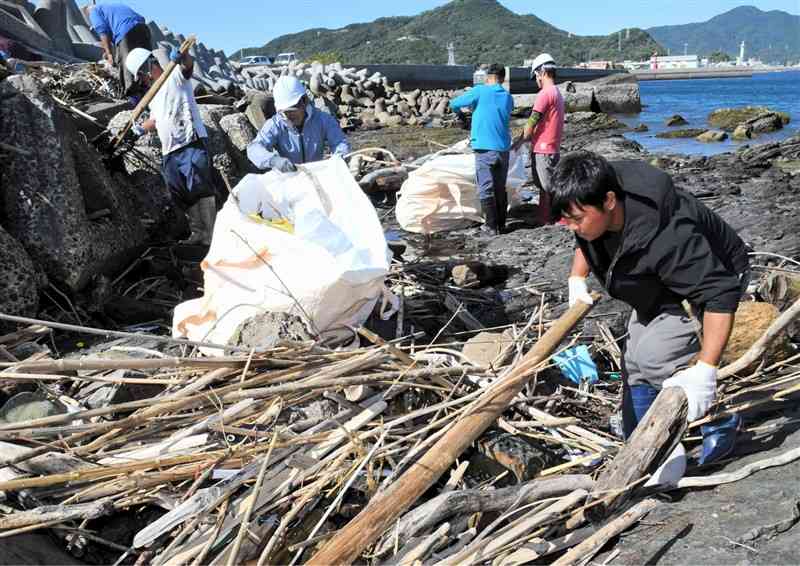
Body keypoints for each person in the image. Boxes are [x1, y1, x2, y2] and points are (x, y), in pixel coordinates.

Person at [553, 151, 749, 478]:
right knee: (632, 361)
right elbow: (583, 238)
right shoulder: (590, 197)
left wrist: (706, 370)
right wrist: (577, 276)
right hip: (656, 287)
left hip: (705, 284)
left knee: (656, 356)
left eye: (577, 218)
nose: (572, 227)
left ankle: (719, 419)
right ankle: (645, 438)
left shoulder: (669, 235)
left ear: (610, 201)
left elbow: (719, 293)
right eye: (566, 219)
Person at [125, 46, 217, 246]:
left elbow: (188, 65)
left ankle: (211, 234)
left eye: (142, 74)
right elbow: (155, 119)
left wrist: (182, 56)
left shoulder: (175, 75)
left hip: (190, 141)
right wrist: (139, 129)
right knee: (181, 191)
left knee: (199, 187)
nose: (142, 79)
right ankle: (198, 233)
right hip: (170, 150)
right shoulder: (152, 94)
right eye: (140, 76)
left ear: (150, 65)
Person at [449, 63, 514, 235]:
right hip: (503, 149)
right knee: (500, 187)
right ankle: (501, 225)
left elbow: (454, 103)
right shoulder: (508, 97)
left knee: (485, 187)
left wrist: (461, 114)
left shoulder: (479, 91)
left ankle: (490, 227)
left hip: (484, 149)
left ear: (488, 77)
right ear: (503, 78)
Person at [247, 76, 350, 173]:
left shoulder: (323, 119)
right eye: (285, 112)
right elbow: (254, 148)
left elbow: (340, 143)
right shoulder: (276, 124)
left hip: (316, 173)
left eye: (292, 110)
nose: (289, 116)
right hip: (288, 176)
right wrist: (273, 160)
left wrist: (339, 157)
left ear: (304, 101)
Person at [512, 53, 565, 225]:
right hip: (552, 146)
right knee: (547, 186)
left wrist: (519, 142)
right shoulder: (557, 92)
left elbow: (532, 121)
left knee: (546, 186)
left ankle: (555, 218)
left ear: (541, 73)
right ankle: (545, 217)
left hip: (543, 148)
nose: (536, 79)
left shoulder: (544, 94)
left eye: (536, 75)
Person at [83, 3, 152, 96]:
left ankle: (133, 96)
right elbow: (140, 18)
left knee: (126, 67)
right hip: (143, 29)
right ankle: (153, 89)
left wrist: (109, 54)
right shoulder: (112, 7)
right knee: (147, 64)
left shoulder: (93, 11)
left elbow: (102, 30)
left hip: (126, 31)